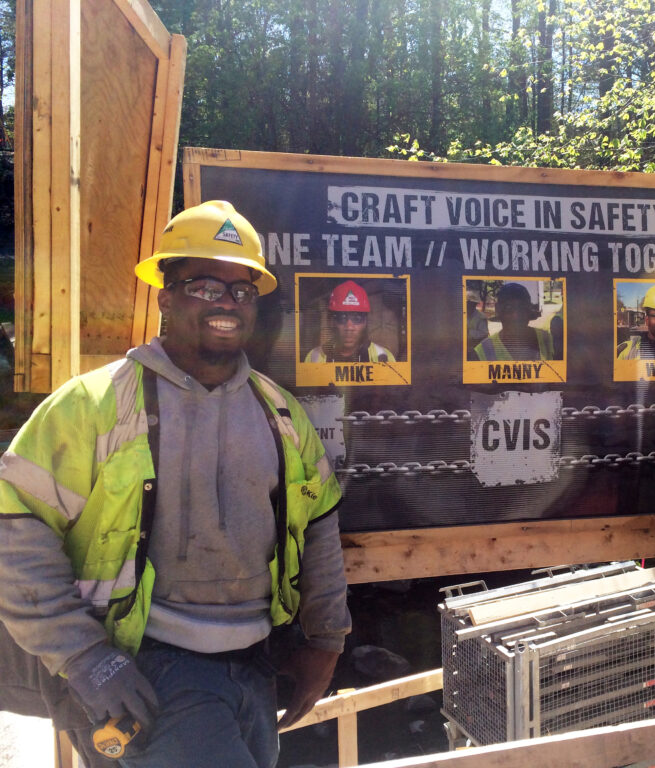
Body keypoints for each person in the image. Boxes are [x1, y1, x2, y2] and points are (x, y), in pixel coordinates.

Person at [0, 200, 351, 767]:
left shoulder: (279, 414)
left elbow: (320, 527)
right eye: (206, 285)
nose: (228, 304)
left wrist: (326, 640)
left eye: (242, 290)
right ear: (166, 295)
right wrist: (86, 657)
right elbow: (14, 530)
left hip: (255, 666)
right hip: (148, 669)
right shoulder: (92, 405)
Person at [305, 279, 396, 363]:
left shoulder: (384, 357)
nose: (349, 327)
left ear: (365, 322)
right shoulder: (314, 358)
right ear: (332, 322)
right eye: (342, 318)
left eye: (357, 319)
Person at [473, 283, 555, 361]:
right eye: (509, 308)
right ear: (498, 310)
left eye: (521, 308)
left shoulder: (547, 339)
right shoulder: (483, 351)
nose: (516, 316)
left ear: (528, 312)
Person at [465, 289, 490, 358]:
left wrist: (469, 332)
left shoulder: (481, 317)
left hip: (475, 348)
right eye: (466, 303)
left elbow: (484, 333)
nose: (468, 305)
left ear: (474, 305)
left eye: (470, 304)